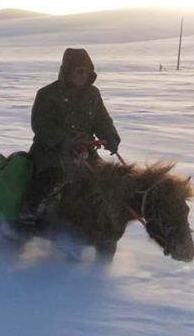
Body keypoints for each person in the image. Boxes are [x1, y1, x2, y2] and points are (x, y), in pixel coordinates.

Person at [21, 47, 120, 217]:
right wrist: (66, 142)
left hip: (86, 154)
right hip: (51, 156)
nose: (84, 76)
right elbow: (41, 126)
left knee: (109, 185)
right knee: (47, 187)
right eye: (79, 71)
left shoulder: (93, 94)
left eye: (87, 72)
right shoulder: (47, 94)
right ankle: (28, 219)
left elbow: (102, 120)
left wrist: (110, 136)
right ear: (67, 71)